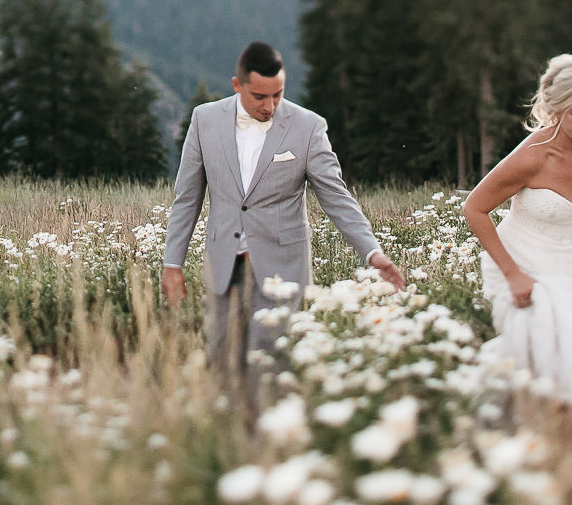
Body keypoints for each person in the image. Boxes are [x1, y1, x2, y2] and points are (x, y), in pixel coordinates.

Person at [163, 41, 405, 399]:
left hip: (282, 269)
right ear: (237, 85)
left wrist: (372, 253)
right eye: (260, 97)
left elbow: (336, 197)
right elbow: (187, 199)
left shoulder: (308, 127)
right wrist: (173, 262)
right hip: (224, 264)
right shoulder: (204, 120)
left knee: (268, 361)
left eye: (277, 95)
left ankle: (270, 444)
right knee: (220, 358)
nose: (269, 106)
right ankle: (230, 442)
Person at [460, 53, 572, 419]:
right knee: (548, 363)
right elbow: (474, 209)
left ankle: (567, 451)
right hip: (520, 264)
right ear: (556, 109)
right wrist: (513, 275)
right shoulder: (532, 156)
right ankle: (498, 428)